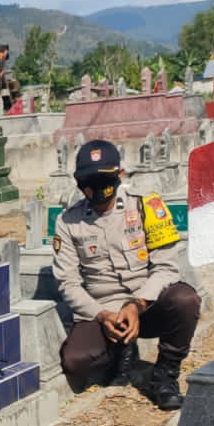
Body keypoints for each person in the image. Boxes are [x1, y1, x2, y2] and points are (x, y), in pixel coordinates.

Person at [52, 139, 200, 411]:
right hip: (103, 309)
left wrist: (136, 304)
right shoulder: (68, 222)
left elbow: (166, 267)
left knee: (185, 300)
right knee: (76, 362)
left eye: (103, 179)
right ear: (78, 181)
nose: (96, 188)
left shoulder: (146, 206)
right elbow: (68, 282)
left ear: (119, 174)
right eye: (88, 181)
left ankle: (165, 376)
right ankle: (120, 351)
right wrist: (101, 315)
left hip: (147, 304)